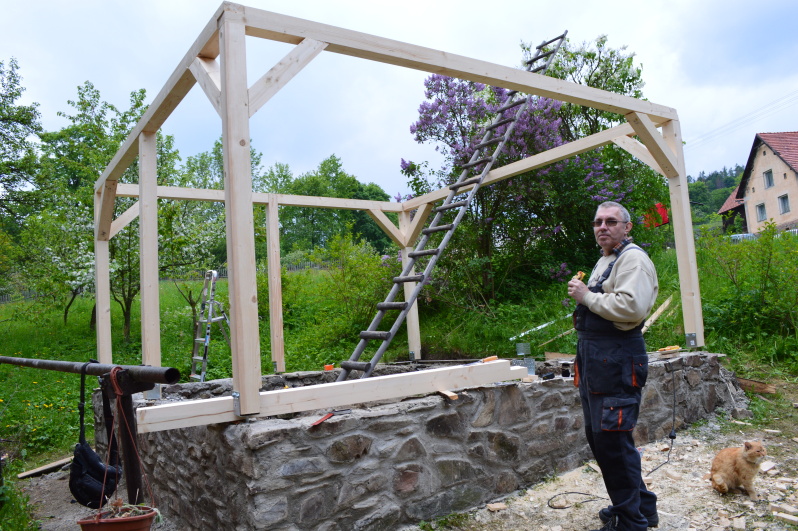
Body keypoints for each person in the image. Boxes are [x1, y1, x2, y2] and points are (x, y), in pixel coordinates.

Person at [567, 201, 659, 531]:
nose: (602, 227)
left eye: (610, 221)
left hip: (616, 358)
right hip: (597, 359)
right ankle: (640, 507)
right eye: (598, 222)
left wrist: (586, 296)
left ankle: (630, 522)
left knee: (613, 442)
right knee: (604, 439)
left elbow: (631, 308)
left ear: (627, 227)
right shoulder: (607, 258)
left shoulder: (633, 259)